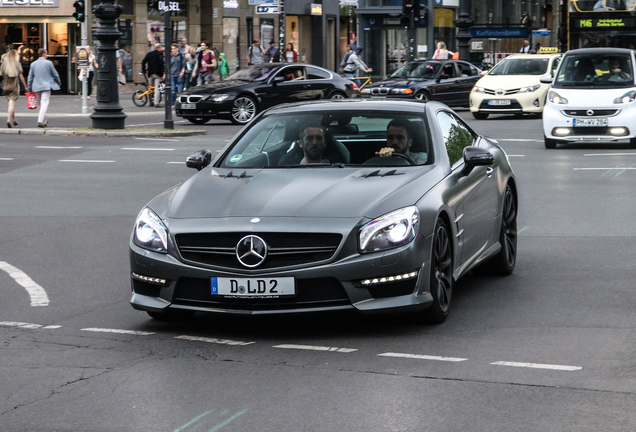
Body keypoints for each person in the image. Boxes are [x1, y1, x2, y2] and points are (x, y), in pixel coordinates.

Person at [27, 48, 61, 128]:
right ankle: (40, 120)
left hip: (36, 86)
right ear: (44, 54)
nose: (47, 55)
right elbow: (55, 74)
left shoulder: (33, 64)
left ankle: (44, 120)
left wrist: (29, 88)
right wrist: (59, 82)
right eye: (46, 53)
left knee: (40, 104)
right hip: (46, 85)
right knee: (44, 103)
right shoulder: (49, 63)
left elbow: (30, 77)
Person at [0, 49, 27, 128]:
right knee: (11, 104)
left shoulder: (4, 64)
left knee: (10, 104)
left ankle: (14, 119)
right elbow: (21, 76)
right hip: (14, 87)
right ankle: (8, 120)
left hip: (5, 86)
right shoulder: (17, 64)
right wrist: (25, 86)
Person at [141, 43, 165, 107]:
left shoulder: (149, 54)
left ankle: (151, 102)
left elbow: (143, 61)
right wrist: (163, 70)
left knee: (150, 89)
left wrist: (144, 69)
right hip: (158, 73)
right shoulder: (160, 54)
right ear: (159, 48)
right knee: (157, 89)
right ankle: (156, 103)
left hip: (150, 73)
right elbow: (161, 62)